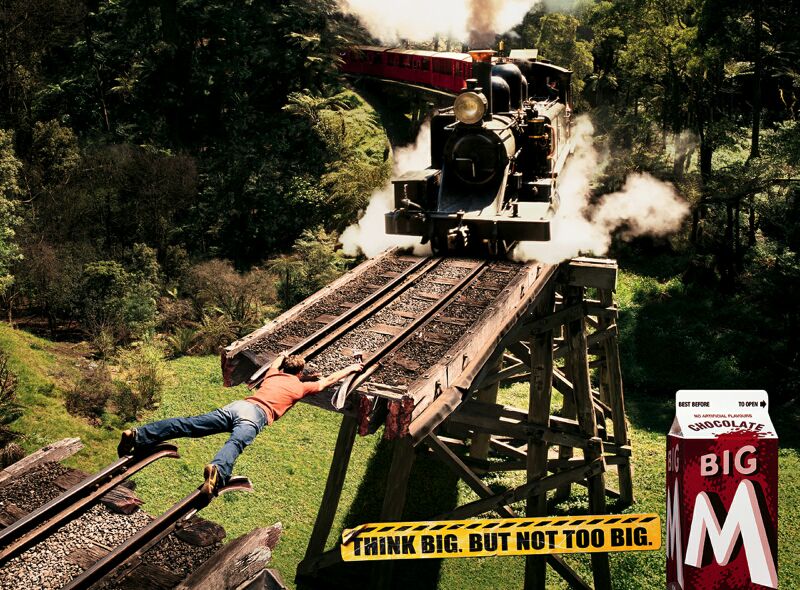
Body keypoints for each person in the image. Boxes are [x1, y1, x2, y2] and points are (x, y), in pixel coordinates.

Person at [117, 352, 363, 495]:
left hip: (237, 406)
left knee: (188, 425)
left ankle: (138, 434)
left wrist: (283, 356)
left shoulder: (273, 374)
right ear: (299, 374)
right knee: (235, 443)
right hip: (256, 415)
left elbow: (276, 362)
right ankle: (217, 471)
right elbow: (329, 380)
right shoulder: (301, 387)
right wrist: (352, 367)